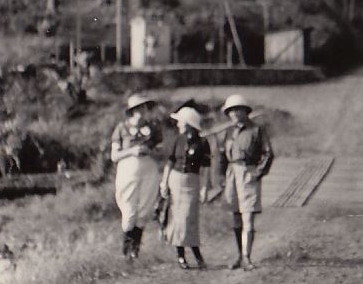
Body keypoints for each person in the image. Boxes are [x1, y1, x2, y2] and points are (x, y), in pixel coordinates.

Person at [221, 94, 274, 271]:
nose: (234, 113)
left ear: (245, 111)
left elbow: (268, 153)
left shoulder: (256, 130)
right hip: (231, 174)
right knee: (235, 217)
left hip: (248, 172)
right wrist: (222, 178)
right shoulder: (228, 132)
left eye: (237, 109)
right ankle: (239, 255)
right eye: (231, 111)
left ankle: (247, 257)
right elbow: (221, 156)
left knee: (248, 216)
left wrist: (257, 173)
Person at [110, 93, 163, 259]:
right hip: (128, 167)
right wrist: (132, 151)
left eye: (144, 107)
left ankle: (135, 252)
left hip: (148, 167)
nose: (142, 111)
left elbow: (162, 151)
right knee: (129, 210)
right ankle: (125, 251)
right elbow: (114, 156)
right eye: (138, 108)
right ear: (132, 111)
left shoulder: (153, 128)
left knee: (143, 210)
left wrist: (151, 150)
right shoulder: (122, 128)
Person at [159, 106, 211, 270]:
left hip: (192, 181)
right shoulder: (177, 140)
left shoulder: (202, 143)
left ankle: (196, 253)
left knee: (189, 218)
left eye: (181, 121)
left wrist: (205, 187)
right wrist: (164, 182)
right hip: (176, 180)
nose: (178, 125)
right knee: (177, 219)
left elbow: (206, 167)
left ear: (189, 123)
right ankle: (180, 255)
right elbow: (170, 162)